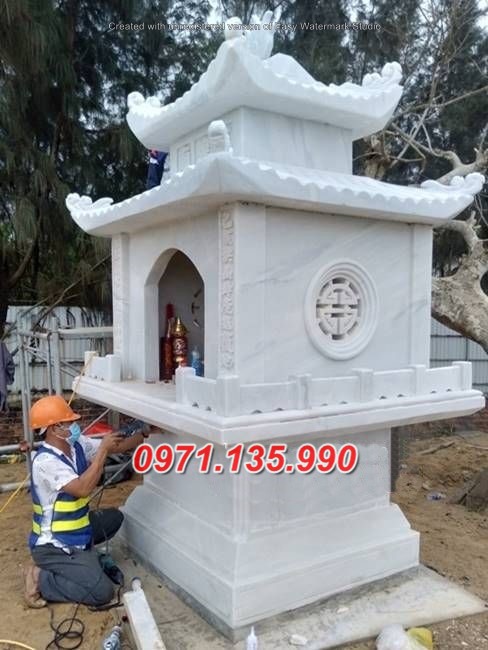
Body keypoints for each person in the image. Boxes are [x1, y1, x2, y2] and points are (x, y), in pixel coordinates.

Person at [23, 395, 146, 608]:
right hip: (54, 544)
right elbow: (82, 489)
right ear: (54, 428)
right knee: (102, 592)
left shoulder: (75, 445)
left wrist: (144, 433)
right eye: (68, 422)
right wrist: (103, 451)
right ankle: (40, 578)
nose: (74, 426)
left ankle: (85, 558)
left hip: (76, 530)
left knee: (114, 518)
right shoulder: (46, 462)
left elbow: (116, 446)